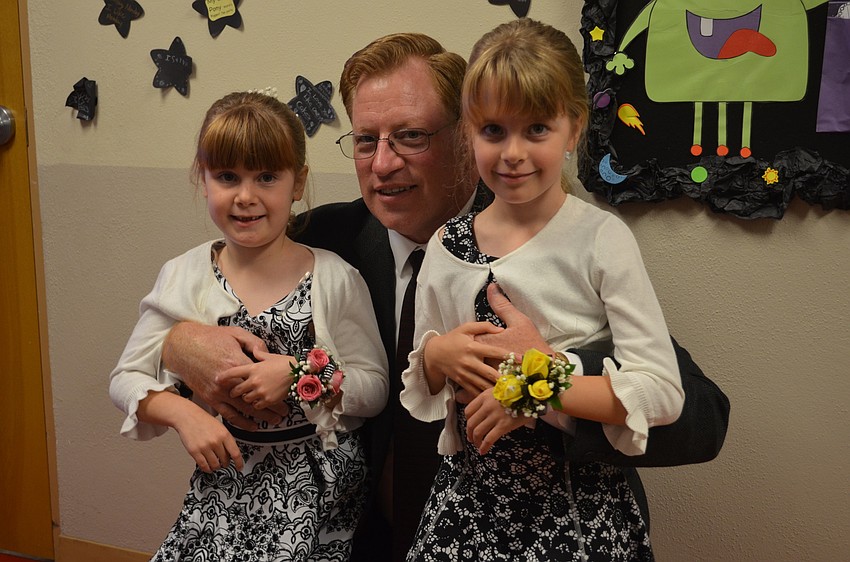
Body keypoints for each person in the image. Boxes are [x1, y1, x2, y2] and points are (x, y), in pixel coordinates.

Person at [160, 32, 730, 562]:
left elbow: (701, 418)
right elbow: (201, 288)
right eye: (366, 141)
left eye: (411, 136)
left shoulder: (563, 243)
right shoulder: (320, 243)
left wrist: (548, 378)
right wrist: (176, 343)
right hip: (351, 539)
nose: (383, 164)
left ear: (464, 133)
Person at [399, 18, 684, 560]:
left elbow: (662, 393)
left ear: (573, 129)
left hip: (574, 513)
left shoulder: (599, 239)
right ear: (468, 131)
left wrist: (536, 388)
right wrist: (437, 355)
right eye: (493, 130)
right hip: (466, 510)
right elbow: (425, 382)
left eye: (536, 129)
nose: (512, 152)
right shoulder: (444, 245)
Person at [108, 91, 388, 561]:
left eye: (266, 177)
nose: (245, 196)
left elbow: (375, 388)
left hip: (317, 490)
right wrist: (185, 416)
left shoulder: (334, 276)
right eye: (227, 177)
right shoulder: (185, 274)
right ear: (202, 179)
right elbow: (125, 377)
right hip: (228, 476)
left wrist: (300, 374)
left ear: (298, 183)